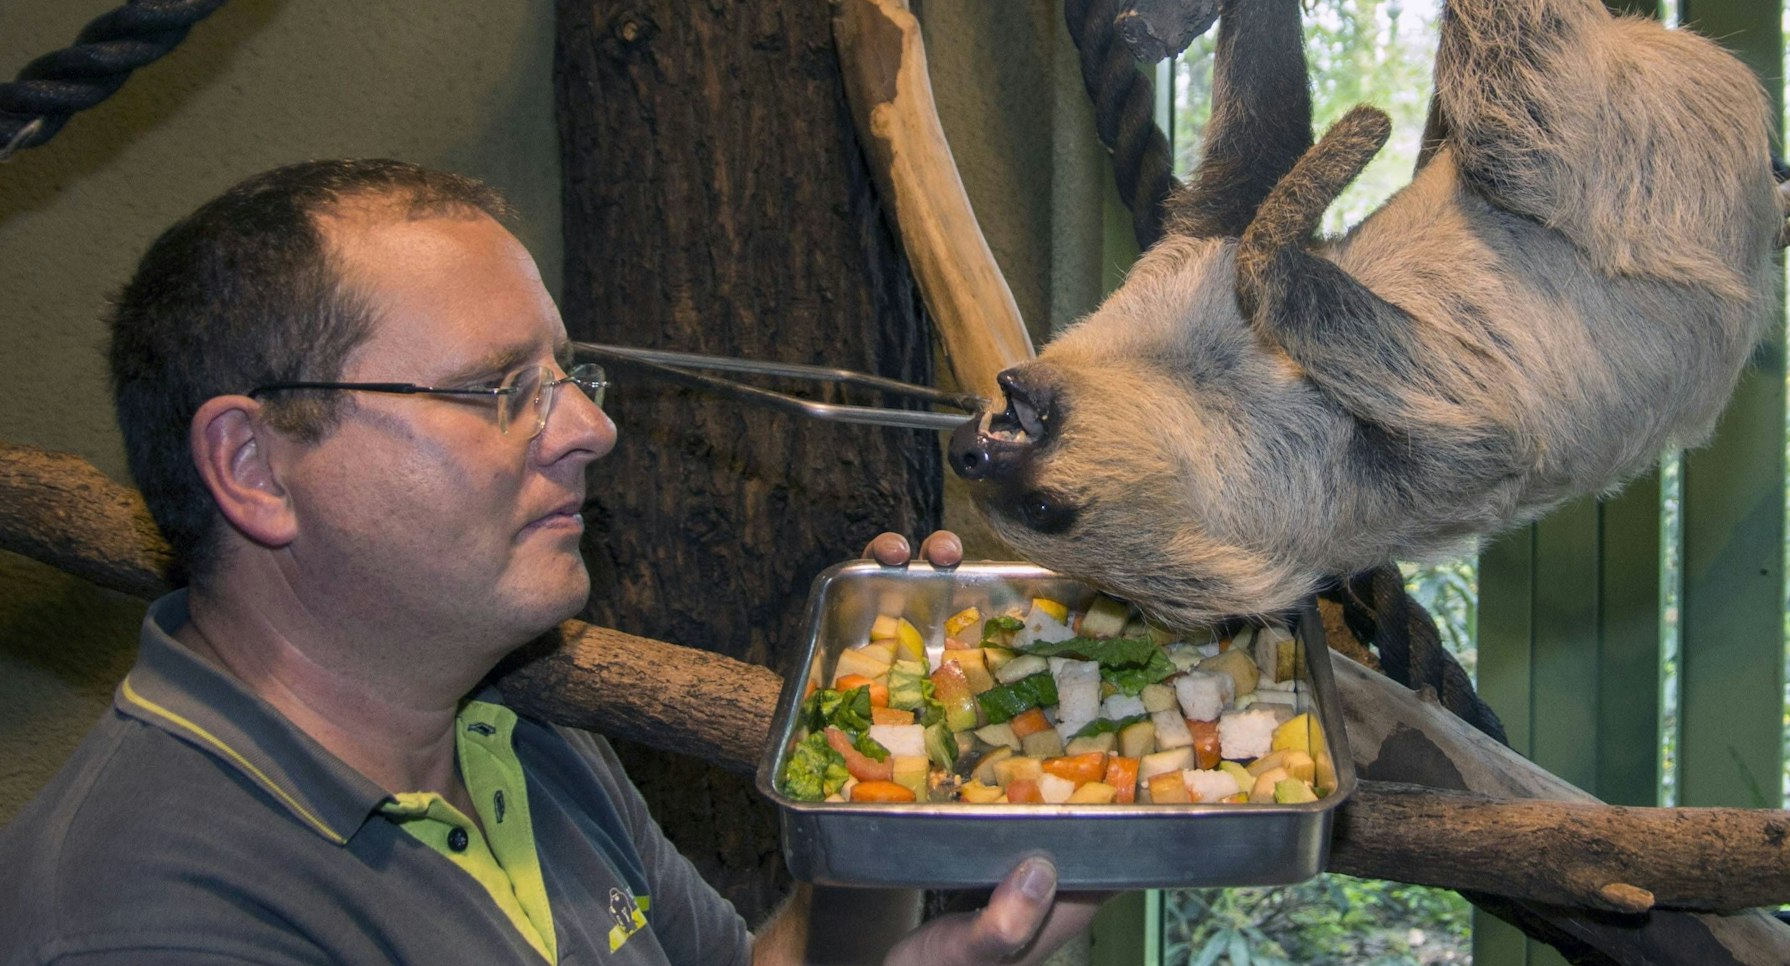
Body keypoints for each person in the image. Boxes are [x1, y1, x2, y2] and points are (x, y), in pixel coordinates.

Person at [0, 159, 1099, 965]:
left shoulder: (519, 737)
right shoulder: (141, 912)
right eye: (499, 390)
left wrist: (874, 802)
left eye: (570, 378)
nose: (590, 429)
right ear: (254, 468)